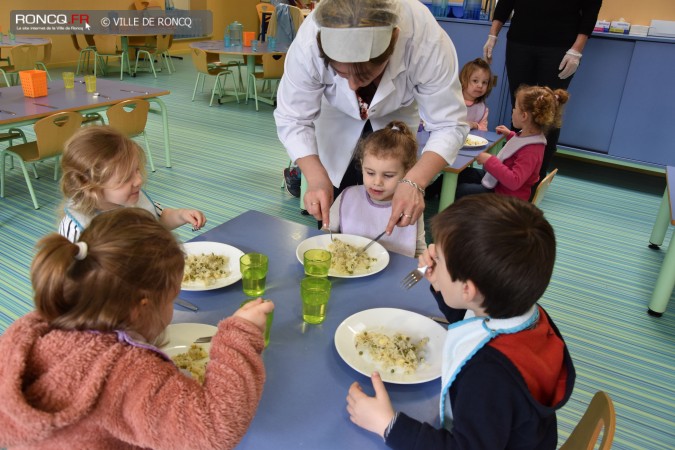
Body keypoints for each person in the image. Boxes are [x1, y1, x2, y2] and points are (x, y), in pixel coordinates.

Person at [0, 207, 275, 449]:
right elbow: (213, 429)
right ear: (141, 307)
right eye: (171, 299)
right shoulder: (125, 372)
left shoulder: (38, 325)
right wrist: (239, 338)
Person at [346, 194, 575, 449]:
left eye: (440, 259)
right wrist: (441, 284)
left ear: (467, 290)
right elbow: (475, 318)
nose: (431, 257)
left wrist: (388, 424)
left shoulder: (488, 375)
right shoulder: (523, 312)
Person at [274, 0, 469, 234]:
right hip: (334, 120)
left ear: (394, 38)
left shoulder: (424, 38)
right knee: (334, 207)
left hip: (395, 120)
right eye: (342, 73)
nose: (354, 85)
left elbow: (449, 124)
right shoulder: (309, 42)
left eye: (367, 75)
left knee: (393, 203)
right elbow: (293, 118)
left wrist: (414, 181)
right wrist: (315, 176)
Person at [482, 0, 602, 196]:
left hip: (560, 45)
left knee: (548, 113)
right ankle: (508, 178)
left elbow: (590, 8)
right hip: (520, 41)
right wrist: (492, 35)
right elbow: (506, 2)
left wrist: (577, 49)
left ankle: (533, 185)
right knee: (520, 109)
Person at [58, 126, 206, 243]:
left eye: (136, 170)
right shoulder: (77, 229)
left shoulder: (133, 198)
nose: (138, 180)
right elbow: (70, 277)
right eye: (125, 178)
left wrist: (181, 215)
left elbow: (158, 219)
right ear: (89, 185)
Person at [328, 121, 426, 257]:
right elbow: (326, 235)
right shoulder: (347, 197)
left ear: (407, 172)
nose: (377, 182)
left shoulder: (410, 205)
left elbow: (420, 251)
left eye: (388, 175)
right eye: (370, 173)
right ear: (362, 165)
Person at [456, 85, 569, 202]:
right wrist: (509, 134)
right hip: (501, 185)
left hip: (506, 198)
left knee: (462, 190)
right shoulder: (530, 135)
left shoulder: (532, 150)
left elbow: (514, 181)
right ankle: (437, 193)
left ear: (524, 116)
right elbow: (519, 145)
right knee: (464, 174)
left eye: (515, 108)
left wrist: (489, 160)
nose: (513, 111)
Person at [459, 57, 493, 131]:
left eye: (484, 82)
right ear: (463, 80)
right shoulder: (453, 100)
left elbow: (484, 130)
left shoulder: (482, 109)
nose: (480, 85)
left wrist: (474, 125)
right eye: (475, 81)